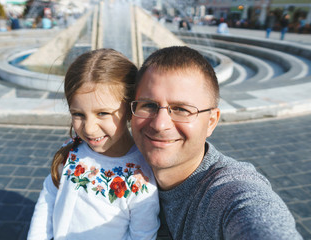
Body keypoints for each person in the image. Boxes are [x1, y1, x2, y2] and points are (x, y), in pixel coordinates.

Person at [130, 46, 302, 239]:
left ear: (211, 122)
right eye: (148, 105)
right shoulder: (116, 166)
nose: (160, 124)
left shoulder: (228, 193)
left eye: (181, 109)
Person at [28, 48, 160, 240]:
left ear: (131, 108)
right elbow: (49, 196)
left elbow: (142, 236)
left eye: (102, 113)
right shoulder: (72, 150)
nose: (89, 129)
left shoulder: (141, 178)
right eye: (78, 114)